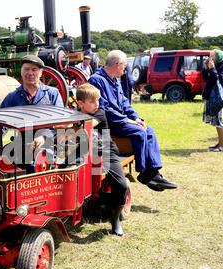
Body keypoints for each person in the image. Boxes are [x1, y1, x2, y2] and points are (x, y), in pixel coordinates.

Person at [88, 50, 177, 192]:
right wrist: (127, 121)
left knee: (149, 130)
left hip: (120, 122)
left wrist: (136, 118)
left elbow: (125, 103)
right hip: (108, 124)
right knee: (140, 132)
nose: (124, 69)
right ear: (117, 64)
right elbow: (102, 109)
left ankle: (153, 173)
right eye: (124, 66)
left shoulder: (115, 80)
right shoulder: (96, 80)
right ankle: (145, 173)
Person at [76, 83, 128, 236]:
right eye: (92, 101)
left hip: (105, 151)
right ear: (80, 103)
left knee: (121, 185)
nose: (96, 104)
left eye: (97, 100)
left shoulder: (99, 113)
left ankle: (115, 219)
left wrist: (69, 127)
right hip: (82, 152)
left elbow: (88, 125)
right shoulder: (73, 113)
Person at [1, 55, 64, 168]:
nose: (30, 73)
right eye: (26, 69)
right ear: (21, 71)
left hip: (49, 143)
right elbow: (1, 122)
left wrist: (44, 137)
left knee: (38, 162)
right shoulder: (13, 97)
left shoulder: (52, 94)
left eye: (34, 70)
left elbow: (60, 123)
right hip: (22, 144)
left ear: (40, 73)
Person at [202, 50, 223, 152]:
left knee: (219, 120)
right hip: (212, 95)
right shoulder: (217, 65)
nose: (211, 59)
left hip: (218, 97)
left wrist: (213, 68)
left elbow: (220, 79)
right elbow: (207, 79)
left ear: (218, 56)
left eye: (212, 57)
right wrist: (206, 68)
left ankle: (222, 145)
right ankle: (220, 143)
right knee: (216, 120)